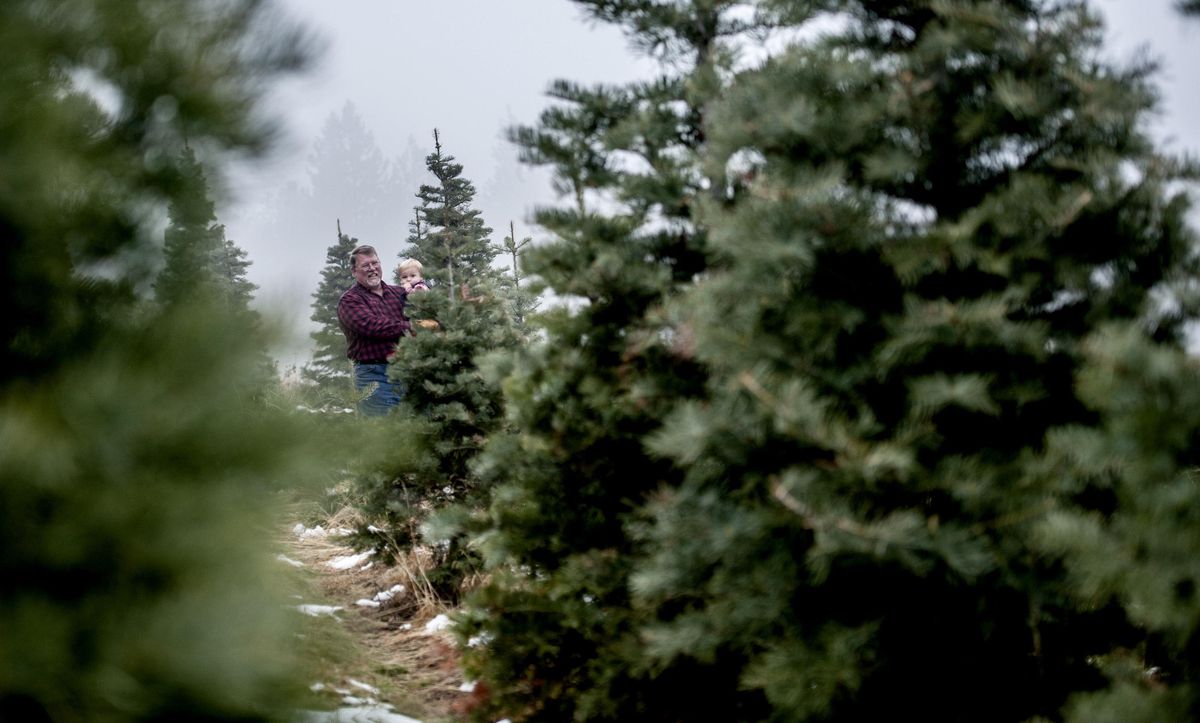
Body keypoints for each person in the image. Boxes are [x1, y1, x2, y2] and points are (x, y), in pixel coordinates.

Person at [337, 244, 409, 416]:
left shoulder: (400, 294)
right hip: (373, 375)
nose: (372, 269)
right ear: (354, 272)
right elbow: (371, 326)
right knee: (383, 431)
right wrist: (410, 327)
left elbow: (425, 309)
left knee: (417, 430)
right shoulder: (349, 301)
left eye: (375, 263)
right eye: (365, 265)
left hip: (408, 371)